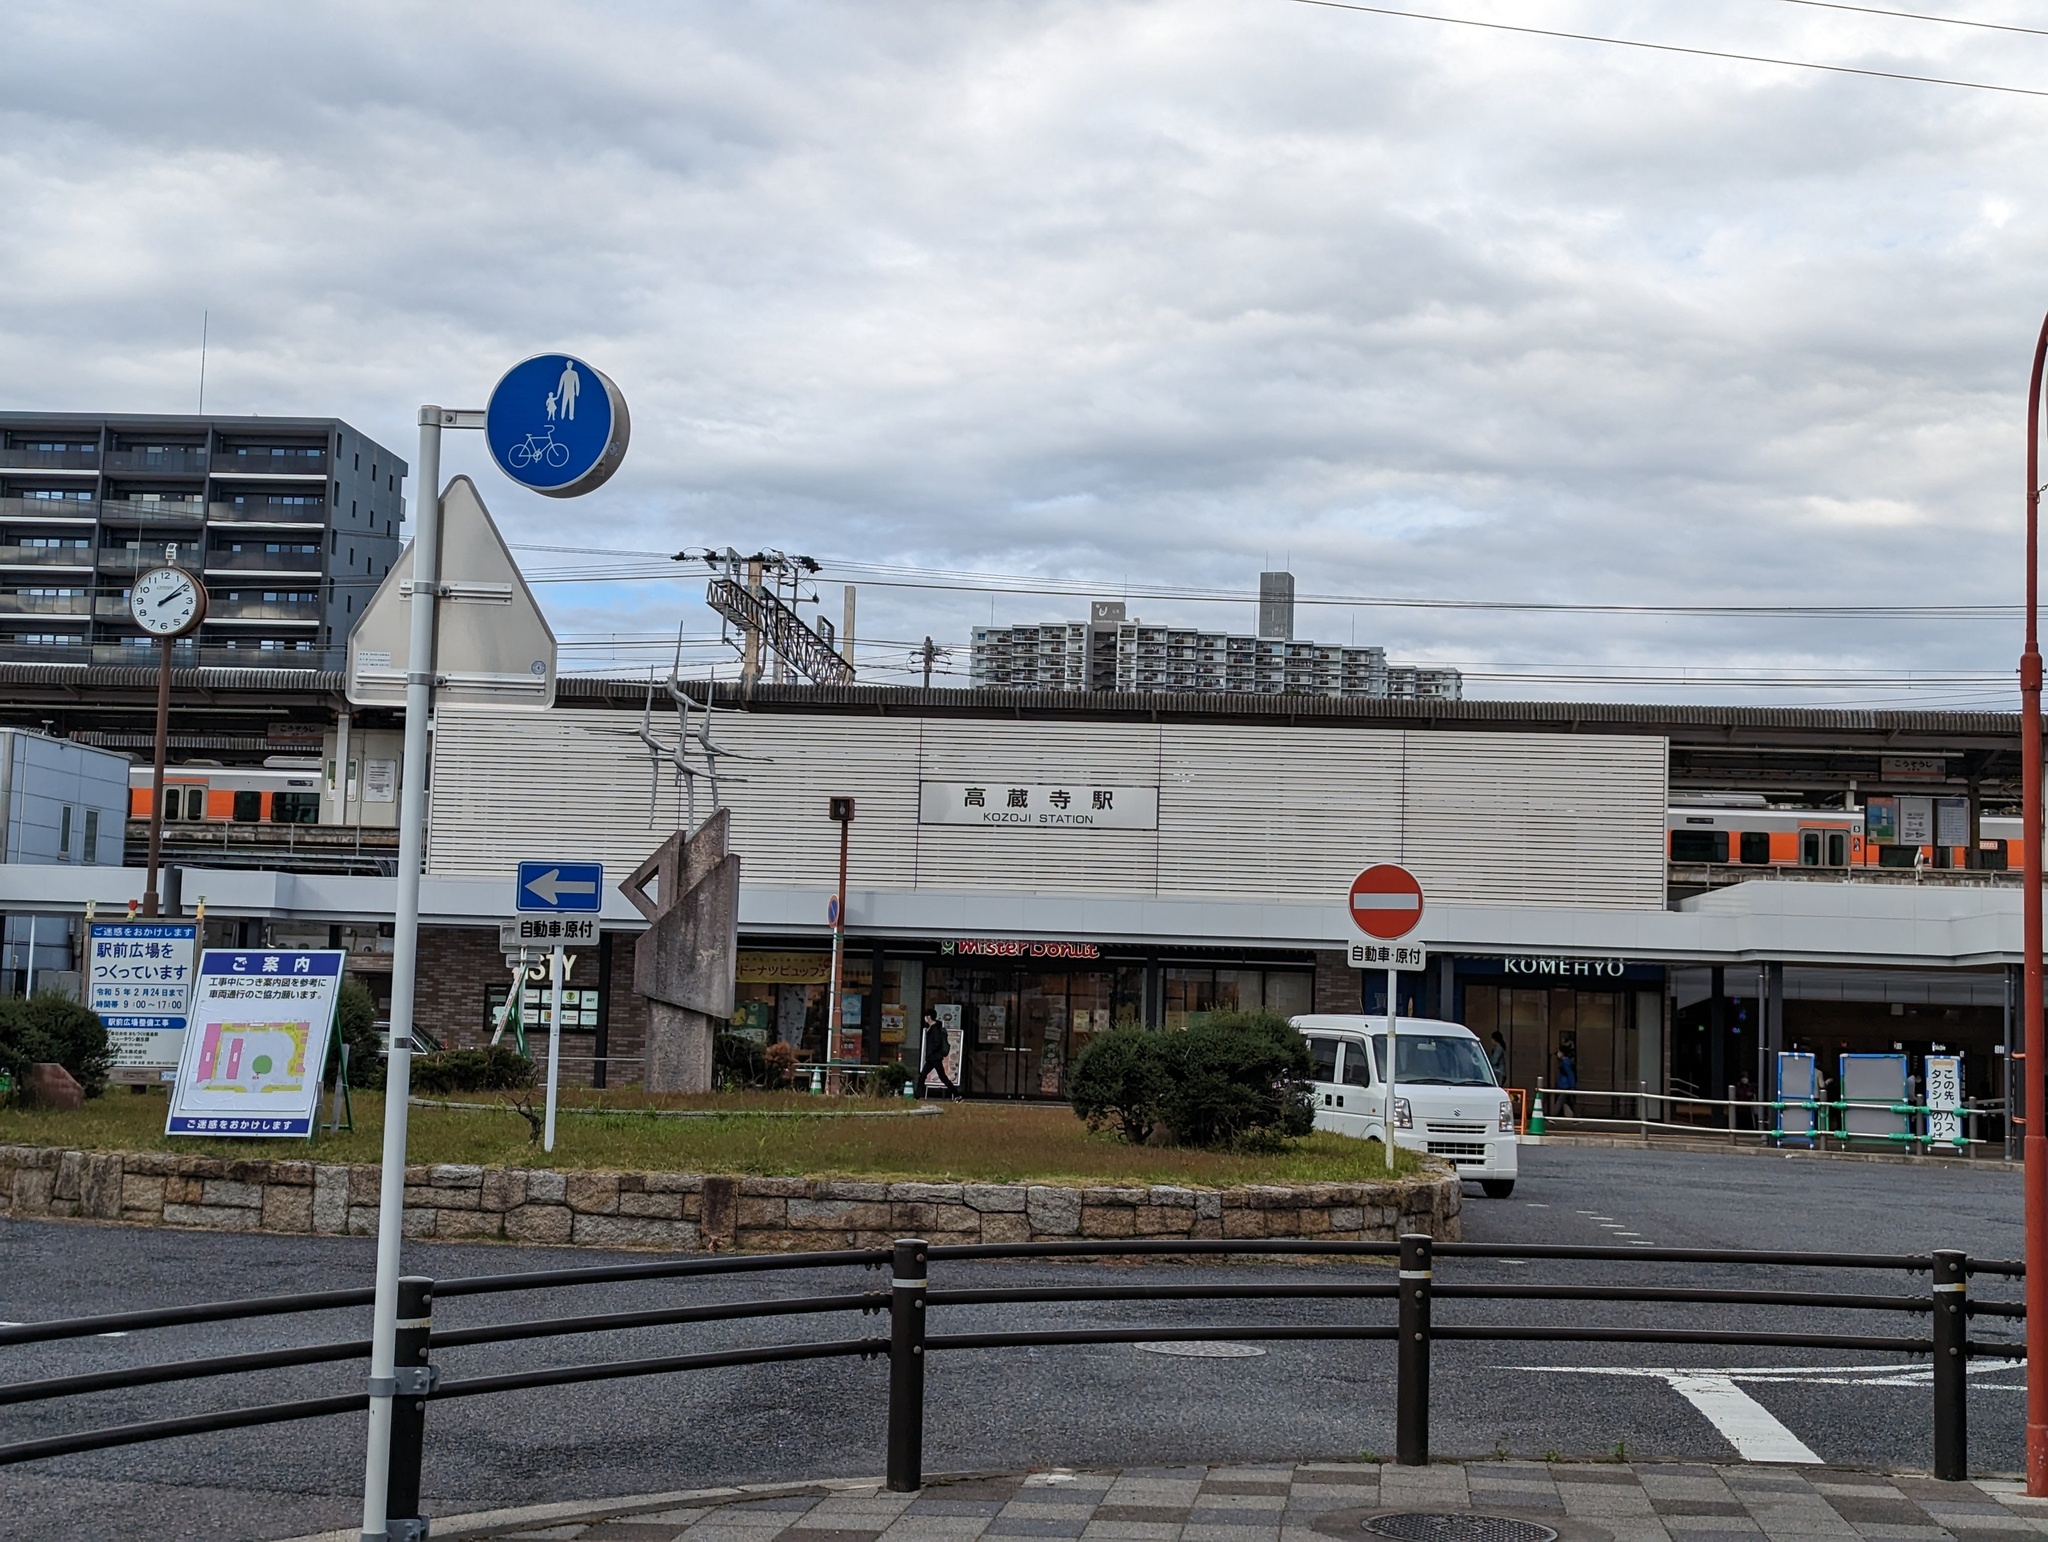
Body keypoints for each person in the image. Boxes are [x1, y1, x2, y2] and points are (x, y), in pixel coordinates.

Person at [919, 1008, 958, 1099]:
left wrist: (931, 1052)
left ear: (929, 1017)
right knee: (924, 1075)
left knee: (939, 1077)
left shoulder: (935, 1028)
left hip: (934, 1058)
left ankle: (957, 1095)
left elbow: (937, 1042)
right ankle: (918, 1095)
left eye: (926, 1016)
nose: (924, 1018)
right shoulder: (934, 1028)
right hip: (933, 1058)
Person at [1553, 1043, 1577, 1118]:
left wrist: (1572, 1085)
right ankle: (1573, 1117)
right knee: (1567, 1102)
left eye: (1559, 1052)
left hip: (1565, 1085)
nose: (1558, 1053)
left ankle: (1553, 1116)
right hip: (1565, 1085)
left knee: (1560, 1101)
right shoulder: (1565, 1061)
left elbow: (1570, 1074)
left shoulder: (1565, 1062)